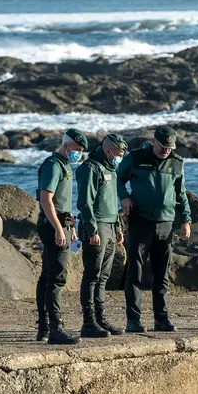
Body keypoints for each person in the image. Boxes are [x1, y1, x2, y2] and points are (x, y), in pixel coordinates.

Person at [116, 124, 191, 333]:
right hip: (140, 222)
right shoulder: (136, 158)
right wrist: (124, 197)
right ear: (153, 142)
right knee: (135, 272)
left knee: (161, 274)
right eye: (162, 147)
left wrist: (186, 220)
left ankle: (162, 319)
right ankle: (133, 320)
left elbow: (181, 193)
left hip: (166, 224)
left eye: (170, 147)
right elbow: (118, 179)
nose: (166, 150)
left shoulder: (176, 163)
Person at [35, 128, 88, 345]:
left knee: (47, 275)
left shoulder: (65, 165)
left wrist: (70, 227)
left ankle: (44, 327)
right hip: (52, 224)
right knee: (56, 277)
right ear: (66, 146)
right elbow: (46, 199)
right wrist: (58, 228)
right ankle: (55, 328)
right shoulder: (53, 165)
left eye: (81, 151)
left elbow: (62, 201)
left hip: (63, 222)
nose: (79, 153)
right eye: (76, 149)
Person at [77, 133, 128, 338]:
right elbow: (85, 203)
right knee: (92, 275)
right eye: (119, 153)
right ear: (109, 151)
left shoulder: (111, 169)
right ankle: (88, 322)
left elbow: (112, 203)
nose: (121, 157)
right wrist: (91, 230)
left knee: (103, 276)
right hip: (96, 227)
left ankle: (100, 317)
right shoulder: (90, 169)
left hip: (109, 226)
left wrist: (118, 228)